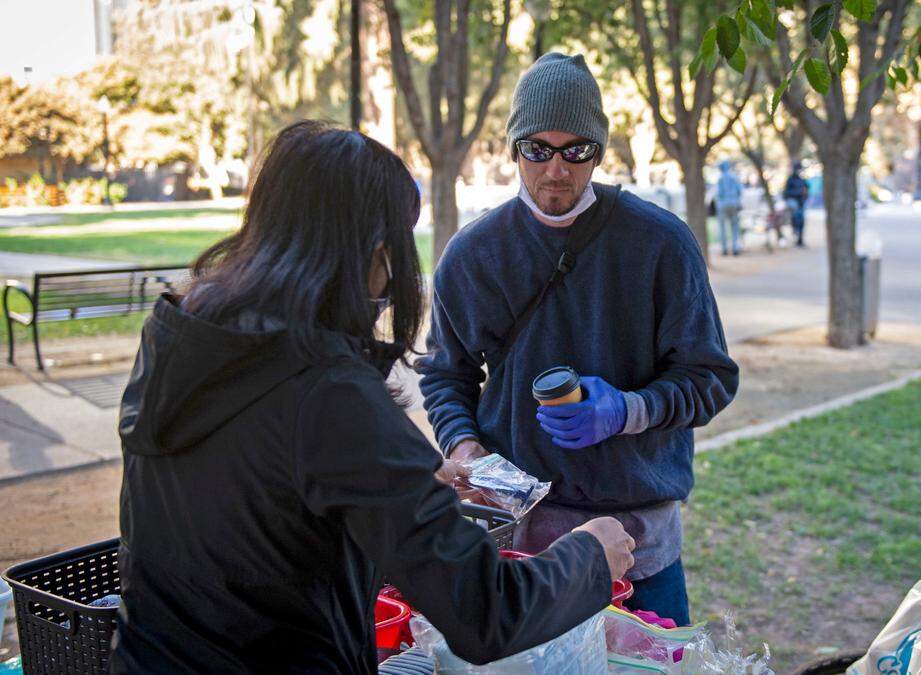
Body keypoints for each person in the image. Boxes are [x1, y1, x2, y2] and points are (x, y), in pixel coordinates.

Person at [112, 121, 637, 673]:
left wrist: (406, 479)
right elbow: (484, 611)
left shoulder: (184, 336)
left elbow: (253, 487)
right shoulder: (326, 391)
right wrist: (589, 558)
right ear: (370, 251)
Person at [418, 53, 738, 627]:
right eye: (538, 149)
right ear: (513, 148)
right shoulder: (472, 255)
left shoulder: (661, 244)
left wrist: (627, 410)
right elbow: (446, 376)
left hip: (638, 544)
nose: (556, 170)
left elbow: (710, 378)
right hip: (519, 545)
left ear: (599, 150)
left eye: (576, 150)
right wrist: (466, 450)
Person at [715, 159, 744, 256]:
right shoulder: (734, 177)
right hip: (734, 203)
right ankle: (735, 247)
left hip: (722, 205)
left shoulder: (720, 179)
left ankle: (724, 249)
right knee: (735, 226)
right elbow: (740, 191)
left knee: (722, 227)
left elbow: (718, 194)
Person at [783, 160, 810, 247]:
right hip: (794, 202)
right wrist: (798, 193)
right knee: (796, 216)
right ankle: (796, 232)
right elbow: (787, 193)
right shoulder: (790, 180)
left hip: (801, 203)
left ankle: (800, 239)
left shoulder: (803, 180)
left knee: (801, 220)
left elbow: (807, 190)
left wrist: (804, 196)